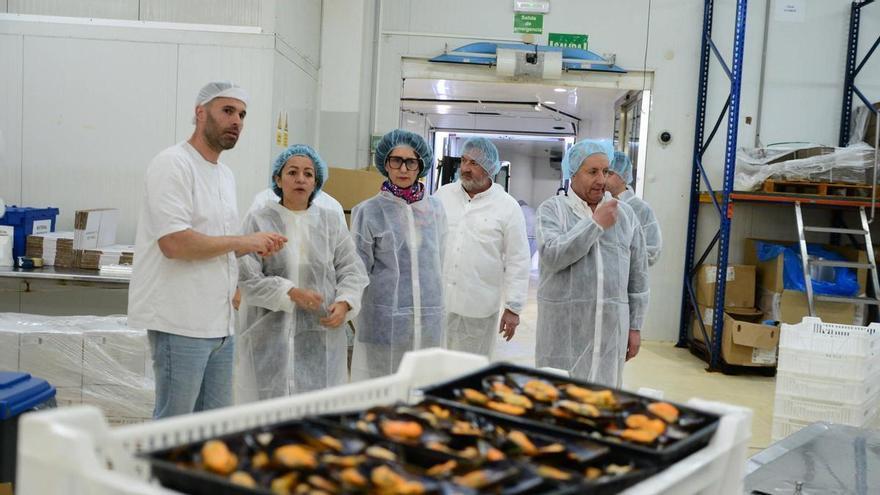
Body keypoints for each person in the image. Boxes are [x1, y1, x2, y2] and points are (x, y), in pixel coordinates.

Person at [129, 81, 287, 418]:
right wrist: (242, 242)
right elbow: (174, 243)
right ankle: (162, 474)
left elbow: (215, 242)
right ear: (200, 114)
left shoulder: (224, 175)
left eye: (242, 115)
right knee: (174, 426)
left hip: (220, 325)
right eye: (227, 111)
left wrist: (248, 253)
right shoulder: (173, 164)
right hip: (180, 321)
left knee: (212, 426)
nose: (237, 121)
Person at [235, 145, 368, 401]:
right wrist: (291, 293)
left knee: (316, 407)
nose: (300, 179)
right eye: (292, 172)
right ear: (278, 179)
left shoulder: (330, 223)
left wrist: (345, 302)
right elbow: (247, 276)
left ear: (316, 182)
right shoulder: (258, 220)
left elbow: (351, 269)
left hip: (319, 336)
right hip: (267, 338)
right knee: (267, 412)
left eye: (308, 174)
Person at [535, 139, 649, 388]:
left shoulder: (625, 215)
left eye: (606, 171)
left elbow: (638, 277)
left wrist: (635, 327)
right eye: (592, 172)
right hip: (562, 333)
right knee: (557, 401)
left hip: (610, 334)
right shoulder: (552, 210)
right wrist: (594, 224)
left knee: (602, 400)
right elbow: (552, 256)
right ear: (572, 173)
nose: (601, 180)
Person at [350, 129, 447, 379]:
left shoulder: (435, 210)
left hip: (428, 317)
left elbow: (440, 261)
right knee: (383, 389)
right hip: (384, 319)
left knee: (423, 389)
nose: (403, 169)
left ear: (420, 166)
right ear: (386, 164)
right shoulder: (368, 212)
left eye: (410, 162)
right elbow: (357, 268)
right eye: (396, 161)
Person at [435, 138, 530, 356]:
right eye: (463, 160)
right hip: (438, 305)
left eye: (474, 163)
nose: (465, 168)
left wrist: (513, 307)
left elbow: (518, 259)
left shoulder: (507, 207)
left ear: (489, 169)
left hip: (477, 309)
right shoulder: (442, 196)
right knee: (434, 372)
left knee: (469, 372)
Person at [607, 151, 663, 266]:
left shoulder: (641, 209)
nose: (604, 177)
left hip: (629, 278)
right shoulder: (597, 204)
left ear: (623, 176)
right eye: (603, 172)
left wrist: (620, 260)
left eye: (610, 173)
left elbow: (653, 250)